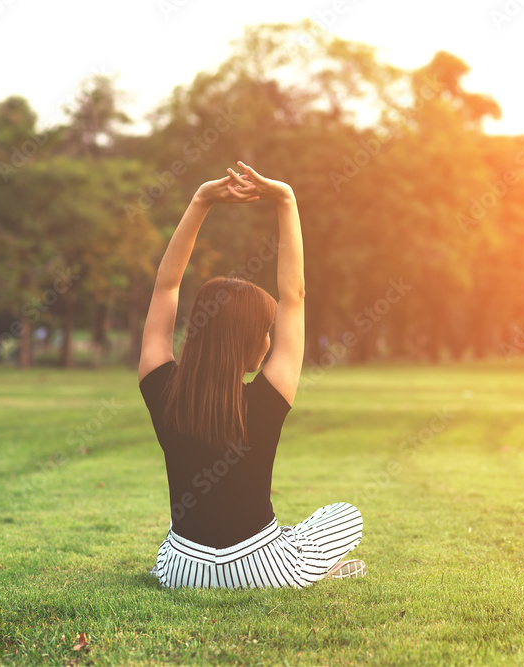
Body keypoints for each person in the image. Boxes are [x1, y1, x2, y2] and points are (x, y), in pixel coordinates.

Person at [138, 162, 364, 589]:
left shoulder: (162, 388)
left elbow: (166, 287)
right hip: (260, 567)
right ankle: (310, 567)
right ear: (248, 341)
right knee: (345, 516)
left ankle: (291, 556)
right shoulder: (268, 397)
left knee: (180, 545)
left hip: (182, 570)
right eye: (265, 331)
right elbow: (293, 295)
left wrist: (200, 200)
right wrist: (286, 199)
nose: (268, 341)